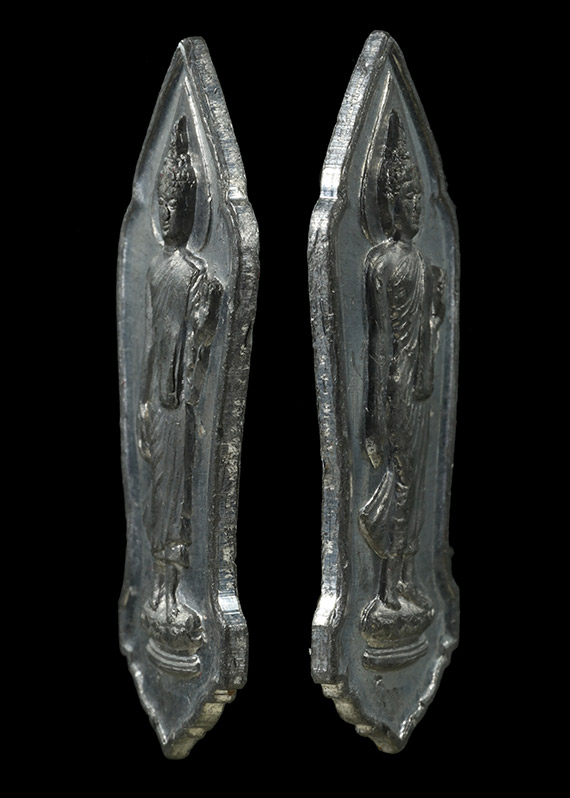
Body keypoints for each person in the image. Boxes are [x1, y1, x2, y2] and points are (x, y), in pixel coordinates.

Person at [359, 111, 445, 647]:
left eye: (418, 199)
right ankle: (386, 587)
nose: (414, 207)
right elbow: (378, 343)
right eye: (406, 198)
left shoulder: (424, 265)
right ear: (389, 203)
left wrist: (435, 314)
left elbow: (426, 333)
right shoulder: (382, 265)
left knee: (413, 487)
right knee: (400, 481)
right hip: (394, 390)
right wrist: (372, 414)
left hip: (419, 389)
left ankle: (405, 580)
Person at [138, 117, 222, 632]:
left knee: (180, 501)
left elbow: (198, 343)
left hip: (180, 405)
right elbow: (151, 342)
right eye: (163, 205)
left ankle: (172, 594)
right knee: (159, 496)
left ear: (190, 212)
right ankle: (159, 591)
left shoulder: (196, 276)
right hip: (159, 401)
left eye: (176, 205)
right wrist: (144, 402)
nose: (168, 214)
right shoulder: (155, 271)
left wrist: (206, 316)